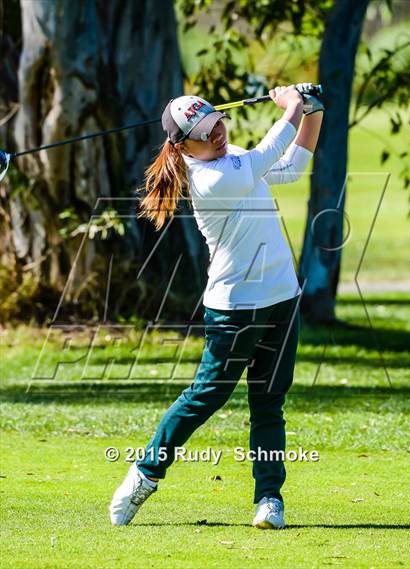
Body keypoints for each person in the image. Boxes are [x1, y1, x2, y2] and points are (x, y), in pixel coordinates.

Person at [109, 84, 324, 529]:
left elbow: (287, 169)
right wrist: (292, 107)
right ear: (182, 145)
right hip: (235, 307)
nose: (217, 134)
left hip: (282, 296)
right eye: (205, 133)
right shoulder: (208, 179)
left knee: (269, 402)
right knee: (208, 396)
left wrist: (313, 112)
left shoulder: (232, 159)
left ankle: (269, 499)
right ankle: (145, 473)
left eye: (217, 123)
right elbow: (268, 153)